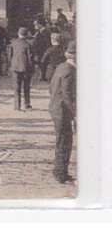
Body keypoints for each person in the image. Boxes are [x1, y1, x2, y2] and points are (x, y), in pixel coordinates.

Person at [49, 41, 76, 184]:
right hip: (62, 111)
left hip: (55, 108)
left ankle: (58, 170)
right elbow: (67, 96)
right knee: (65, 142)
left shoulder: (61, 67)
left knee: (61, 141)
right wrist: (76, 113)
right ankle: (61, 175)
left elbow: (51, 87)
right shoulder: (69, 71)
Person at [9, 26, 33, 110]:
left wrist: (10, 64)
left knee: (16, 87)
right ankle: (27, 104)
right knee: (26, 87)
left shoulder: (13, 43)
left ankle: (17, 106)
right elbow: (30, 57)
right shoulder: (28, 44)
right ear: (26, 35)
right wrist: (32, 67)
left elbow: (10, 55)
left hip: (15, 68)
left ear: (18, 34)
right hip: (25, 68)